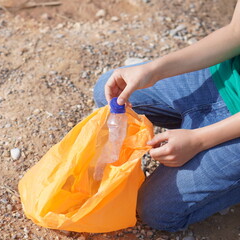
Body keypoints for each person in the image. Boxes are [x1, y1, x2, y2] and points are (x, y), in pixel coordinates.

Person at [93, 0, 240, 232]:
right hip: (224, 77)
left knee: (156, 212)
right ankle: (187, 126)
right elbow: (235, 33)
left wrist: (200, 140)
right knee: (110, 89)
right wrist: (153, 71)